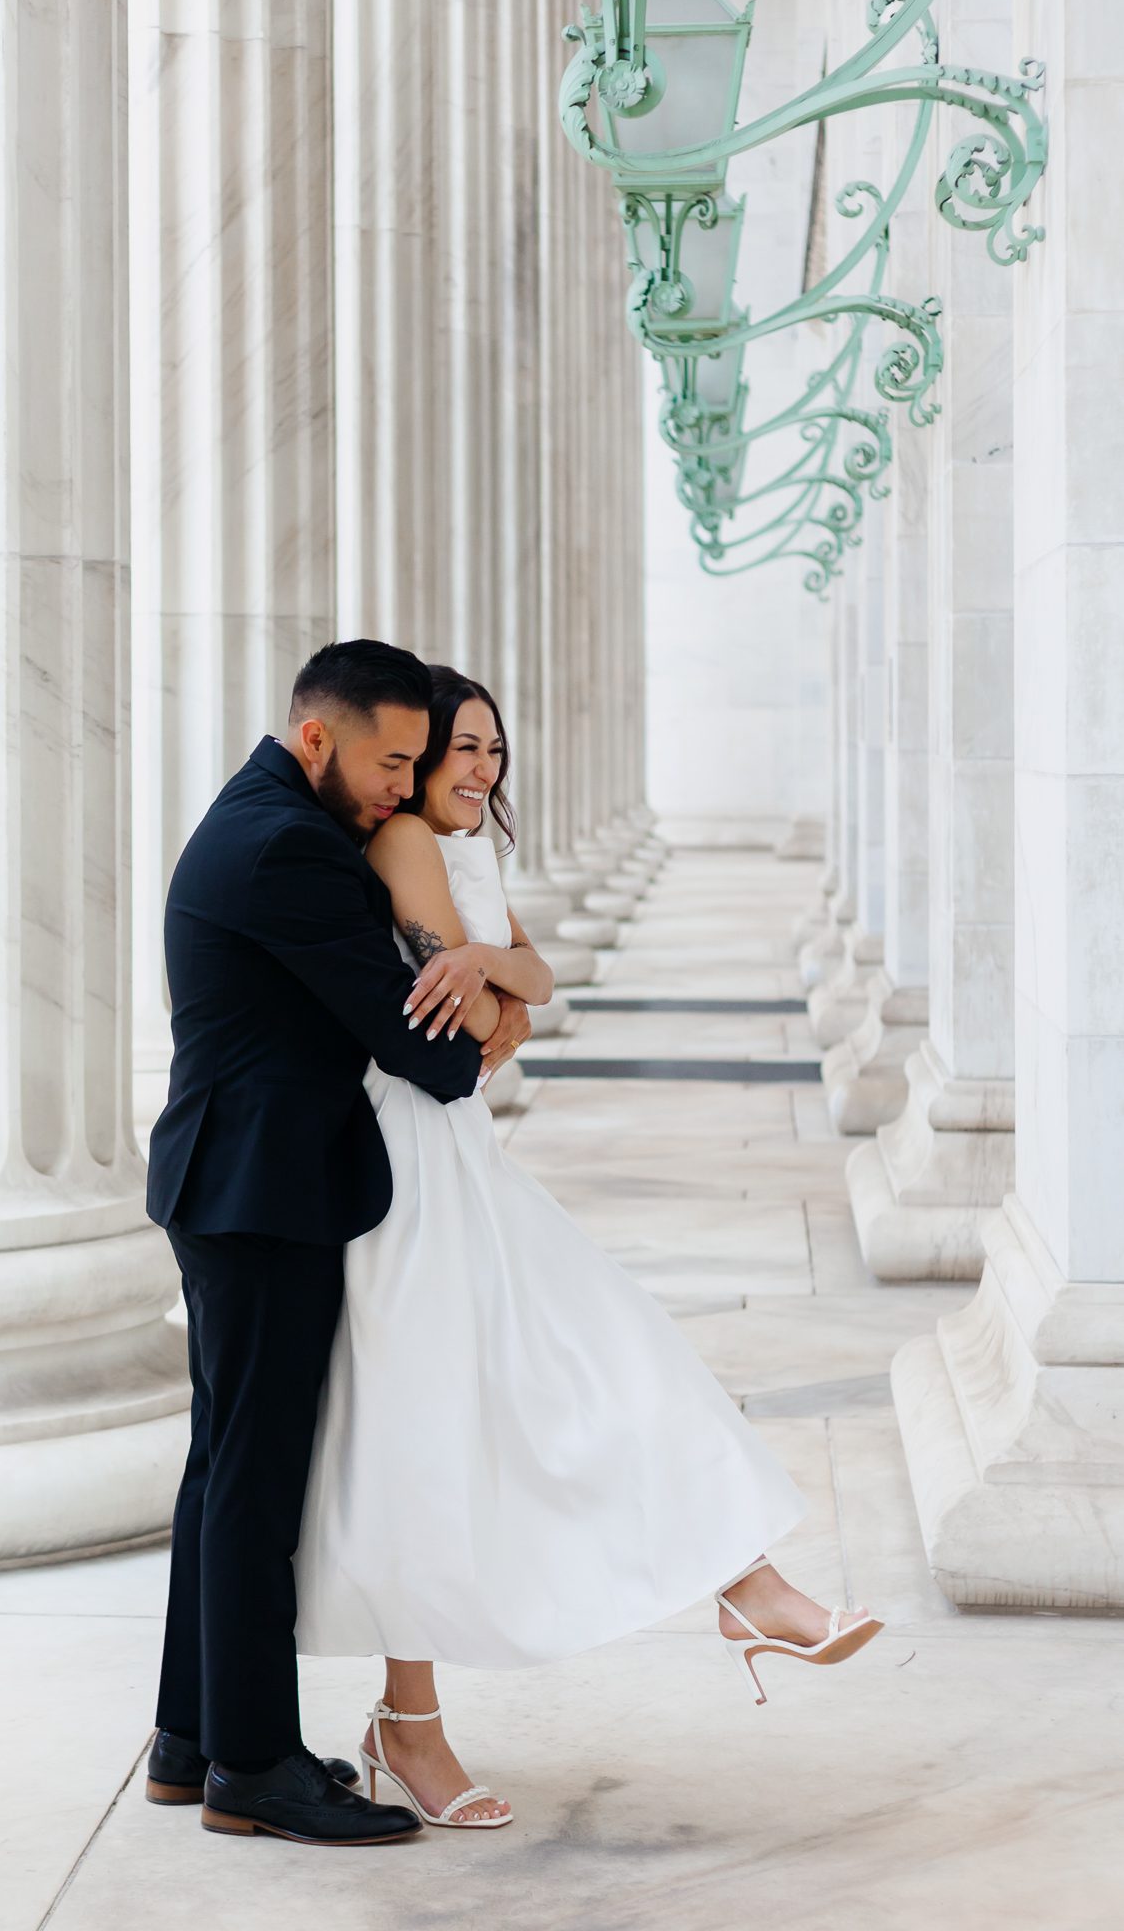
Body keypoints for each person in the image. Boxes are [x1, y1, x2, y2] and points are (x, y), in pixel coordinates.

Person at [292, 665, 884, 1831]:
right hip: (406, 1162)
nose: (474, 772)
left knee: (600, 1356)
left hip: (457, 1152)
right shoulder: (409, 843)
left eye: (490, 754)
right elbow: (470, 1016)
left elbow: (528, 981)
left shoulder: (464, 846)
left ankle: (743, 1580)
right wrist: (497, 983)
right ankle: (413, 1720)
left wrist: (500, 975)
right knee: (427, 1427)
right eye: (456, 749)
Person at [142, 641, 528, 1847]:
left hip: (238, 1179)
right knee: (254, 1484)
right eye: (389, 760)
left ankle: (192, 1736)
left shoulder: (260, 809)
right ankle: (252, 1766)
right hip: (262, 1193)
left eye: (418, 761)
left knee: (224, 1467)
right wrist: (490, 1016)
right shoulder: (290, 847)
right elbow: (430, 1049)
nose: (399, 787)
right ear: (319, 736)